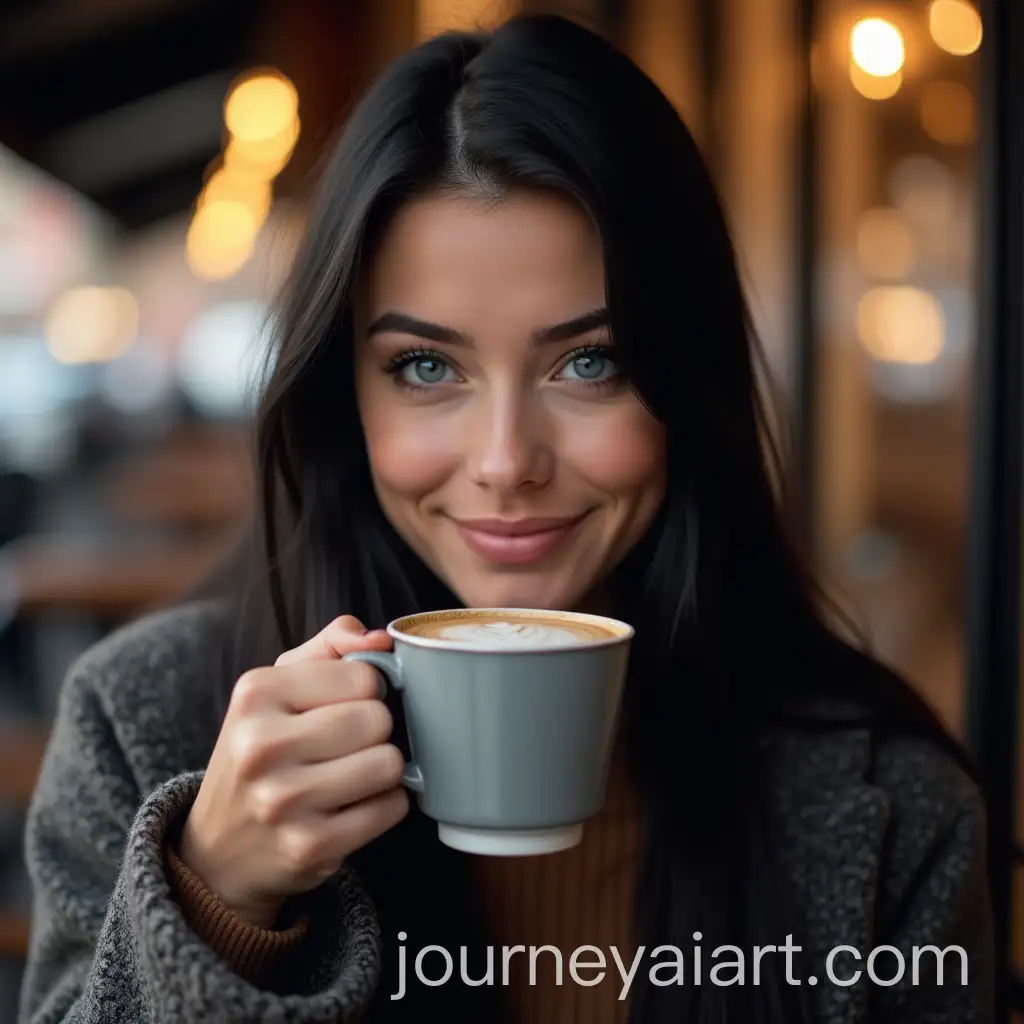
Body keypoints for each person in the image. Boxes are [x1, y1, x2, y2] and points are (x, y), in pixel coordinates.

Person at [18, 13, 992, 1024]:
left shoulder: (888, 807)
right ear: (343, 401)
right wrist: (215, 900)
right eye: (425, 368)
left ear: (687, 386)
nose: (503, 463)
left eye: (590, 362)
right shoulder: (147, 726)